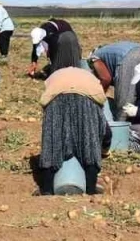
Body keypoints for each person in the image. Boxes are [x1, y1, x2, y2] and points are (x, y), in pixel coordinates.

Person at [35, 66, 110, 196]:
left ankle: (47, 189)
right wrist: (103, 149)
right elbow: (106, 131)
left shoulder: (56, 75)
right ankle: (91, 189)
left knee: (52, 142)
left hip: (56, 98)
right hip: (86, 100)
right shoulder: (91, 80)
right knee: (89, 144)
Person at [88, 41, 140, 117]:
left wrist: (98, 95)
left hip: (129, 57)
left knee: (124, 104)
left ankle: (122, 126)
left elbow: (105, 78)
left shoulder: (94, 57)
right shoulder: (109, 50)